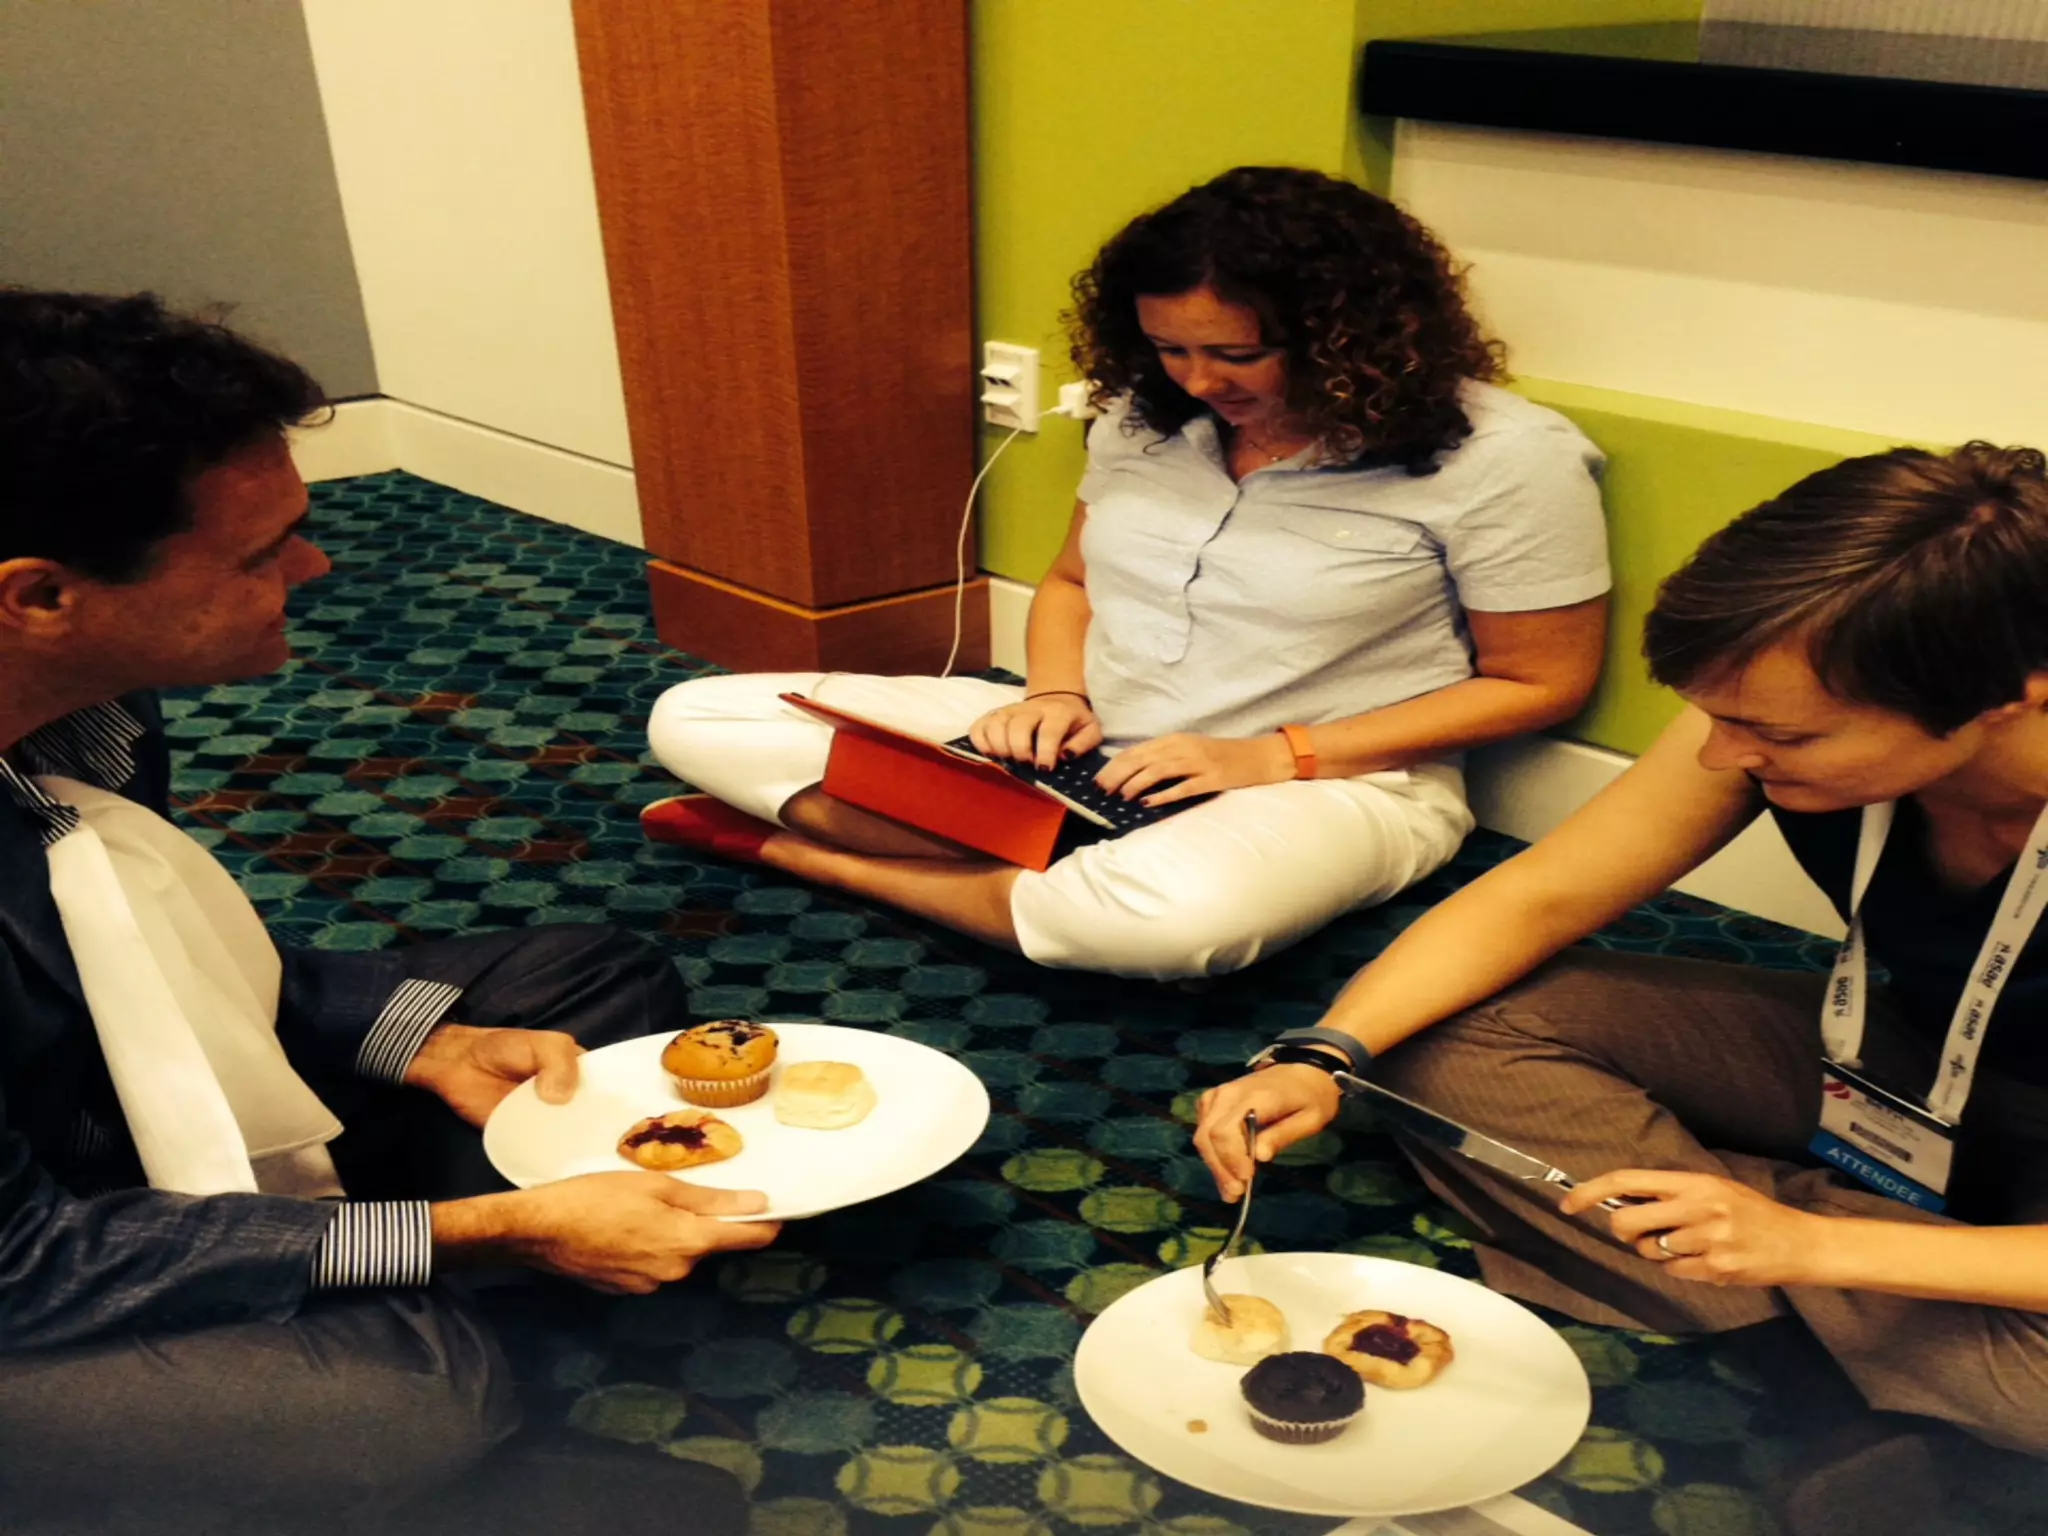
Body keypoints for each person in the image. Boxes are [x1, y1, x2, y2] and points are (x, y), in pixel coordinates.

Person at [0, 289, 780, 1536]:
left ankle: (391, 1313)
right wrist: (478, 1230)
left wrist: (415, 1039)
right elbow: (23, 1266)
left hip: (79, 1116)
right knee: (417, 1397)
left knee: (590, 991)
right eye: (262, 555)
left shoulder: (83, 697)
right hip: (28, 1262)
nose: (316, 567)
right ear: (39, 598)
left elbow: (141, 950)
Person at [1193, 442, 2048, 1533]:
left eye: (1777, 736)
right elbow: (1541, 896)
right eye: (1721, 718)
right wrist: (1325, 1051)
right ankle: (1887, 1294)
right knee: (1447, 1040)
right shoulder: (1783, 699)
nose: (1719, 758)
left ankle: (1785, 1319)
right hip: (1900, 1058)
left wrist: (1809, 1245)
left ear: (2004, 700)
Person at [643, 166, 1610, 979]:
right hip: (1085, 753)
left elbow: (1540, 680)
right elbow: (1070, 584)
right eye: (1169, 348)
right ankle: (1053, 853)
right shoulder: (1144, 420)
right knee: (693, 716)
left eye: (1238, 353)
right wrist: (1053, 692)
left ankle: (819, 855)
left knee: (1165, 923)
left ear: (1351, 336)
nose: (1197, 382)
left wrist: (1273, 756)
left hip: (1336, 782)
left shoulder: (1505, 458)